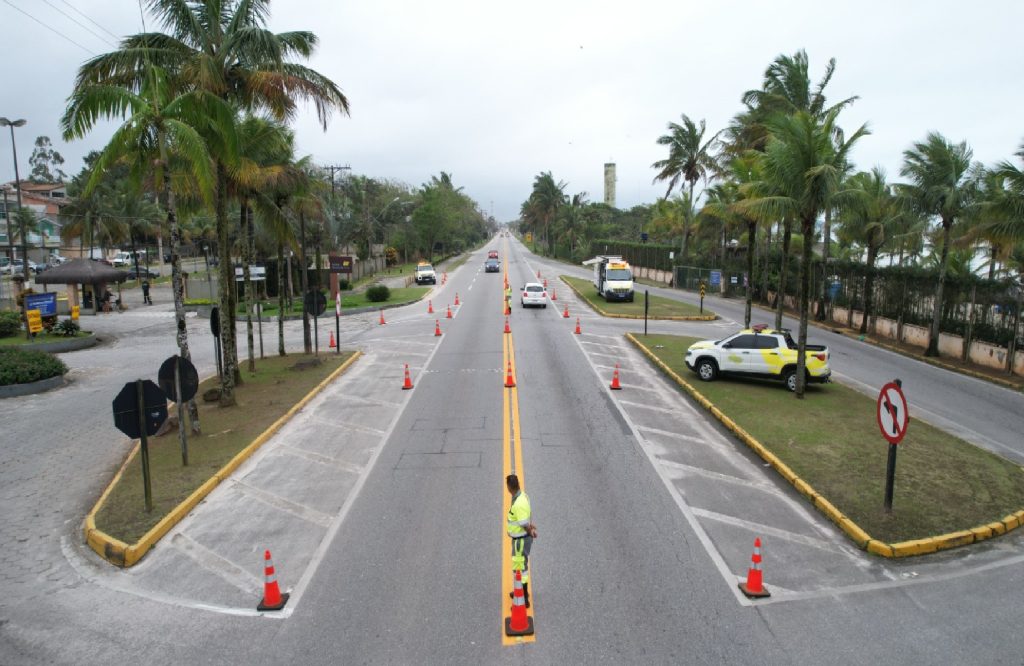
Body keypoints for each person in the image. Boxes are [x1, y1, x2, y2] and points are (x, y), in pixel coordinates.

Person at [506, 474, 536, 607]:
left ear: (509, 487)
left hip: (521, 541)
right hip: (520, 539)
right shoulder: (521, 496)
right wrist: (531, 527)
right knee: (519, 567)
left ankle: (524, 598)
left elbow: (523, 522)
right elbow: (526, 517)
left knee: (520, 569)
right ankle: (520, 592)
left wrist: (531, 531)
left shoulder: (519, 503)